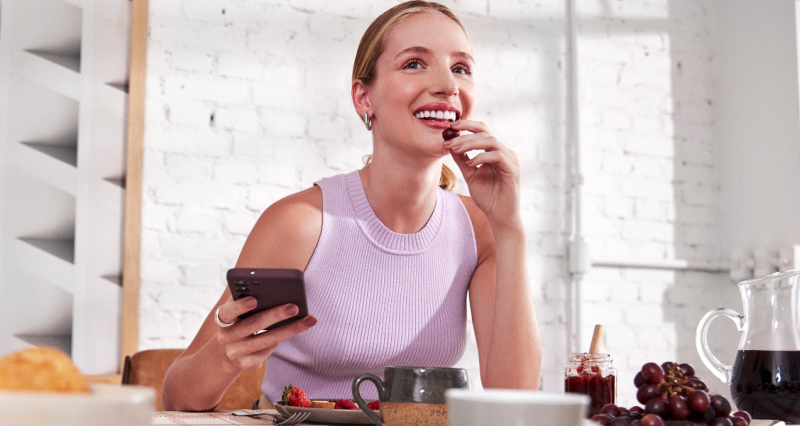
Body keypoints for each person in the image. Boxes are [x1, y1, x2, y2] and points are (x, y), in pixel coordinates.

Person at [161, 1, 541, 411]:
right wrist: (224, 354)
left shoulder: (480, 228)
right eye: (415, 63)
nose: (448, 84)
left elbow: (516, 400)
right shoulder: (301, 224)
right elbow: (176, 398)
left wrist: (510, 228)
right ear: (364, 98)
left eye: (461, 68)